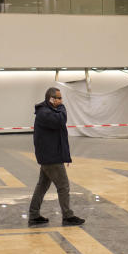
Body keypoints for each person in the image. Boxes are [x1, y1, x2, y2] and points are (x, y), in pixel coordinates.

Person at [28, 87, 85, 226]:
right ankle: (67, 215)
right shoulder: (44, 113)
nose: (61, 101)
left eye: (61, 98)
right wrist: (63, 107)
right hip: (51, 157)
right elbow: (60, 120)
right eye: (58, 98)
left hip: (50, 155)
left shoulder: (50, 111)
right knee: (63, 186)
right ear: (51, 99)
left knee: (42, 185)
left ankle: (34, 214)